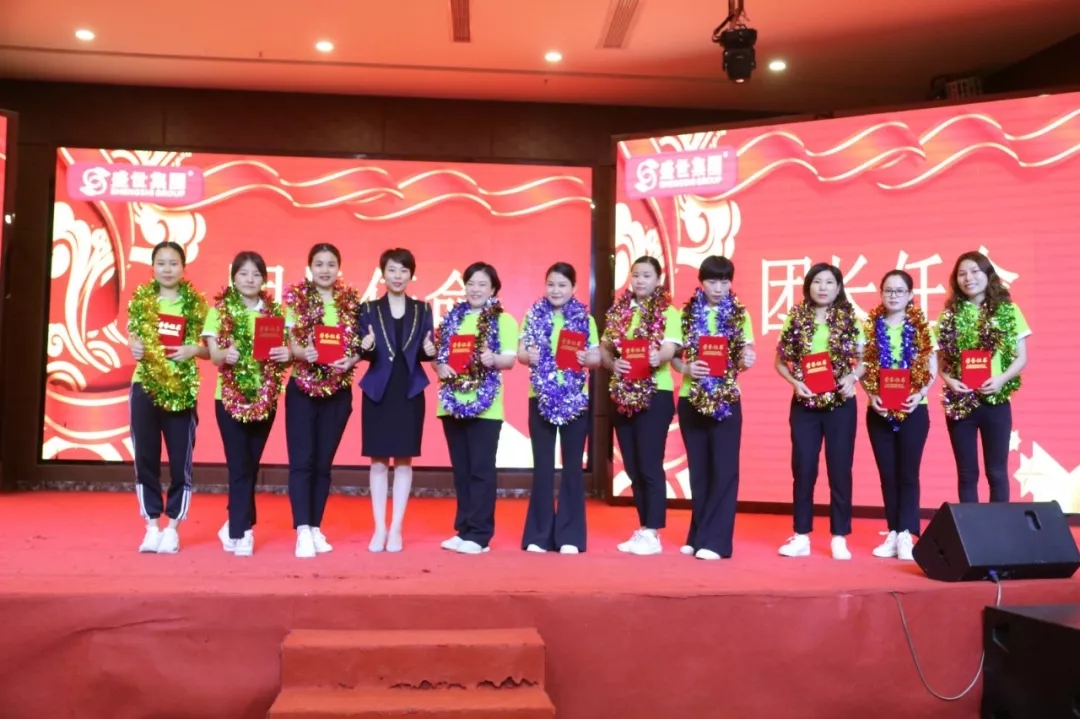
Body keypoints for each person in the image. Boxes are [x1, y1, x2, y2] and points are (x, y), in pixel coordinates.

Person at [203, 251, 292, 557]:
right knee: (239, 464)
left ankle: (235, 520)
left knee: (250, 465)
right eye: (244, 273)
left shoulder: (274, 314)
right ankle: (242, 532)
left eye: (256, 274)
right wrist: (225, 355)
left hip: (264, 398)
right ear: (234, 278)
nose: (250, 279)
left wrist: (286, 354)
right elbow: (214, 356)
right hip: (228, 399)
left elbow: (286, 354)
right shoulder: (219, 312)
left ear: (264, 279)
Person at [774, 263, 866, 560]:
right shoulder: (796, 318)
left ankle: (839, 536)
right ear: (808, 286)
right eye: (817, 281)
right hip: (805, 403)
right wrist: (795, 382)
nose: (823, 287)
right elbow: (780, 362)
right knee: (803, 468)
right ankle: (801, 535)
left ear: (839, 288)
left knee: (840, 468)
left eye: (829, 282)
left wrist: (852, 378)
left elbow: (865, 360)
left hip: (841, 404)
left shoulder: (850, 318)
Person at [671, 256, 756, 561]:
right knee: (699, 470)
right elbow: (674, 357)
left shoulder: (740, 314)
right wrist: (687, 368)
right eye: (712, 281)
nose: (718, 288)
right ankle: (697, 536)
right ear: (701, 282)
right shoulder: (685, 314)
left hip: (726, 400)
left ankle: (717, 542)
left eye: (724, 281)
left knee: (724, 470)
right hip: (691, 398)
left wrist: (746, 360)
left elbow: (745, 355)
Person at [127, 240, 209, 554]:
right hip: (144, 386)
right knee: (145, 459)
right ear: (153, 267)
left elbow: (211, 350)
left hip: (180, 389)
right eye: (161, 263)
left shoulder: (195, 305)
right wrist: (134, 347)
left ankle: (173, 527)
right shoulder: (142, 301)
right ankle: (151, 525)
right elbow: (133, 337)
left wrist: (194, 350)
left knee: (179, 462)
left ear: (183, 267)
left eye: (173, 263)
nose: (167, 269)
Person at [283, 243, 362, 558]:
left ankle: (316, 526)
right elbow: (291, 344)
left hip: (337, 390)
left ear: (338, 268)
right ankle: (302, 529)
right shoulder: (297, 300)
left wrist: (351, 359)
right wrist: (304, 353)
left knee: (323, 463)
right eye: (319, 264)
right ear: (310, 268)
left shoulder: (350, 302)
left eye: (330, 264)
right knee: (302, 461)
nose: (325, 270)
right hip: (302, 389)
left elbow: (359, 346)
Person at [434, 262, 518, 555]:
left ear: (493, 289)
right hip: (452, 404)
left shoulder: (502, 320)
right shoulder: (452, 319)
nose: (475, 289)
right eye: (471, 283)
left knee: (481, 470)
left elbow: (509, 360)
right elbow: (439, 358)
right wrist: (439, 366)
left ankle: (480, 535)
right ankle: (464, 530)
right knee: (462, 471)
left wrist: (492, 358)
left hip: (485, 407)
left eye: (482, 284)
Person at [600, 256, 682, 556]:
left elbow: (670, 349)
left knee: (649, 464)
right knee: (633, 466)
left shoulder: (669, 312)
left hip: (655, 394)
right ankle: (644, 527)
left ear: (658, 280)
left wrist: (655, 357)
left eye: (647, 275)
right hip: (623, 395)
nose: (640, 280)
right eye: (636, 275)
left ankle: (653, 531)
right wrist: (614, 364)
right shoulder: (619, 311)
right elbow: (605, 349)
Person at [357, 248, 436, 553]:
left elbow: (425, 352)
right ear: (383, 274)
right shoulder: (368, 309)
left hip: (409, 391)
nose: (398, 276)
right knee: (378, 461)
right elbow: (362, 351)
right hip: (378, 391)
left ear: (411, 274)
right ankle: (379, 528)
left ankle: (397, 528)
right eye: (392, 270)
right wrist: (365, 346)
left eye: (403, 270)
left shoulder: (423, 309)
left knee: (404, 461)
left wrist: (429, 351)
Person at [517, 262, 600, 554]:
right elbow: (521, 353)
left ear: (574, 288)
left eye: (562, 285)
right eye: (551, 284)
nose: (556, 290)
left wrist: (587, 358)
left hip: (575, 399)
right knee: (542, 466)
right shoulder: (533, 315)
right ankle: (538, 535)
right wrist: (529, 356)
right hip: (540, 397)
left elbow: (596, 358)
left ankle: (570, 537)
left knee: (572, 468)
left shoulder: (585, 319)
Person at [936, 251, 1029, 503]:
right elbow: (940, 362)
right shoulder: (949, 315)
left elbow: (1021, 358)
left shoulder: (1008, 310)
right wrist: (949, 380)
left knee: (996, 473)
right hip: (961, 404)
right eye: (962, 274)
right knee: (967, 474)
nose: (968, 278)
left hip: (995, 402)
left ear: (988, 275)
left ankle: (999, 526)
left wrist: (1001, 379)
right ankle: (970, 528)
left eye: (975, 272)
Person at [860, 271, 937, 561]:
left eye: (899, 291)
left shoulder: (921, 327)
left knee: (908, 473)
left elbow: (932, 367)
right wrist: (871, 394)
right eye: (888, 290)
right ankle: (893, 531)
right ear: (881, 293)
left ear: (910, 295)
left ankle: (907, 533)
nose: (893, 296)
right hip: (878, 409)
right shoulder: (869, 327)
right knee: (887, 474)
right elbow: (862, 367)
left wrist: (920, 393)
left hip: (913, 409)